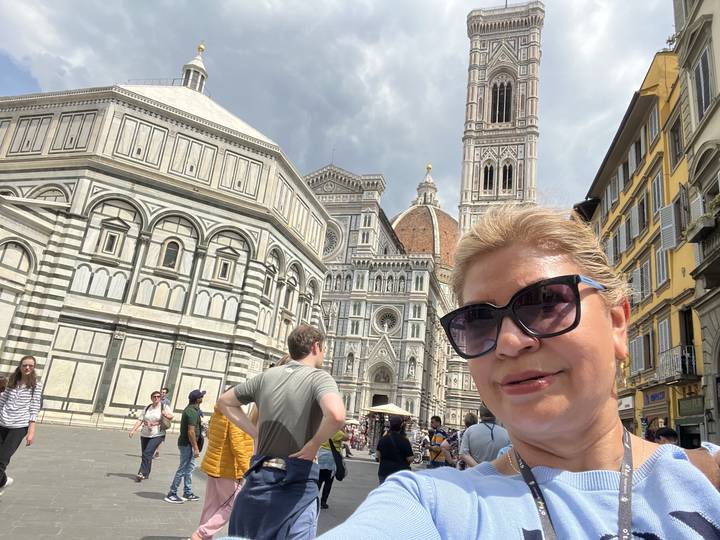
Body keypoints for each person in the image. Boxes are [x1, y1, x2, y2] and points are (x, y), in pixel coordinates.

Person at [319, 205, 720, 539]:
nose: (510, 341)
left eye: (546, 303)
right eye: (477, 320)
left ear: (617, 324)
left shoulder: (709, 480)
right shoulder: (432, 503)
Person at [218, 324, 345, 539]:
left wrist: (255, 432)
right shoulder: (319, 377)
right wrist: (314, 444)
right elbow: (337, 415)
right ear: (315, 347)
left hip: (257, 484)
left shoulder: (266, 376)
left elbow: (224, 401)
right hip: (296, 489)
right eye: (323, 348)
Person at [191, 403, 256, 540]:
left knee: (211, 506)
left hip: (213, 466)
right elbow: (238, 447)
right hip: (229, 470)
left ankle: (203, 537)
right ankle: (201, 534)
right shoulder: (234, 417)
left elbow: (211, 435)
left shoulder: (218, 414)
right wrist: (248, 471)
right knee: (234, 505)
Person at [0, 355, 42, 495]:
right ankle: (4, 481)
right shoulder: (12, 381)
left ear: (34, 367)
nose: (27, 367)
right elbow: (3, 400)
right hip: (2, 422)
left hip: (18, 427)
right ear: (20, 366)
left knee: (2, 460)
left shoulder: (36, 384)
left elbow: (34, 407)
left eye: (30, 365)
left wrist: (31, 431)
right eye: (25, 365)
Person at [164, 389, 205, 504]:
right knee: (183, 469)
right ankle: (172, 493)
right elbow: (191, 432)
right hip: (187, 444)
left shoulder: (194, 410)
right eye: (201, 396)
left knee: (190, 469)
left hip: (189, 444)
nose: (202, 398)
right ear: (198, 399)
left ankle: (187, 492)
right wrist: (196, 448)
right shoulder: (191, 411)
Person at [128, 390, 174, 481]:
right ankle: (146, 473)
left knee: (147, 453)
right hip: (145, 433)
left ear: (160, 398)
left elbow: (172, 416)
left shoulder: (164, 407)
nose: (156, 398)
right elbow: (140, 420)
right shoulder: (147, 407)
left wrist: (166, 415)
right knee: (145, 454)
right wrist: (133, 430)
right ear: (151, 398)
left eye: (158, 396)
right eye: (154, 396)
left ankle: (141, 472)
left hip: (157, 434)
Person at [376, 415, 413, 484]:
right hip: (400, 473)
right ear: (401, 426)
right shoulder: (404, 440)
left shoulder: (383, 439)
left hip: (384, 471)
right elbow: (410, 458)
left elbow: (378, 455)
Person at [317, 428, 348, 509]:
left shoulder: (324, 429)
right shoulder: (337, 432)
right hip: (331, 459)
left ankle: (314, 500)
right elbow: (347, 437)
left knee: (319, 480)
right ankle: (323, 502)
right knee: (328, 482)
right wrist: (343, 429)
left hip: (321, 456)